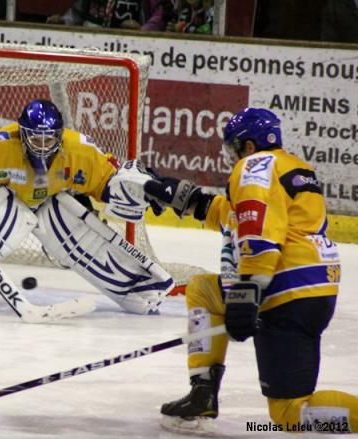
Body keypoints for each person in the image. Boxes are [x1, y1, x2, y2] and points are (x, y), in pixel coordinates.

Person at [141, 108, 358, 434]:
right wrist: (183, 198)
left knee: (289, 413)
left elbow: (258, 229)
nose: (232, 157)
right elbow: (235, 216)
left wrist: (248, 290)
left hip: (282, 289)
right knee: (203, 290)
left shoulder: (254, 166)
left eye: (234, 148)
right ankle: (204, 392)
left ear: (250, 145)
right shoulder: (292, 166)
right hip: (314, 289)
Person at [0, 98, 174, 315]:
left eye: (49, 139)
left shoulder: (79, 151)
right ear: (22, 134)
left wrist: (141, 187)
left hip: (54, 211)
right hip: (6, 209)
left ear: (60, 135)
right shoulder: (0, 147)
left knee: (63, 212)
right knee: (9, 217)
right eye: (35, 138)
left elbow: (111, 178)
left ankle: (135, 283)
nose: (42, 145)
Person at [46, 0, 169, 32]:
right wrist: (63, 22)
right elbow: (76, 13)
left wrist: (141, 30)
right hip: (91, 42)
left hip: (129, 45)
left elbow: (159, 17)